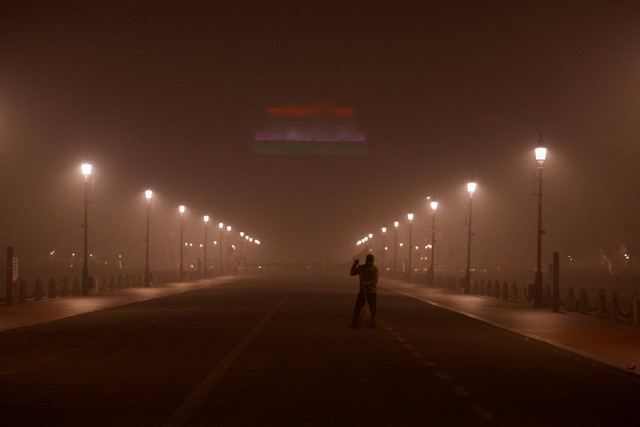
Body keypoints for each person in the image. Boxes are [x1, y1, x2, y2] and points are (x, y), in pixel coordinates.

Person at [349, 254, 379, 328]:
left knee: (372, 308)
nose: (369, 263)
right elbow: (352, 273)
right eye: (368, 261)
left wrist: (365, 283)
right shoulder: (361, 268)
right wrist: (355, 264)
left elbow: (374, 280)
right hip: (362, 292)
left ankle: (372, 322)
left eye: (371, 261)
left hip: (371, 292)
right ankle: (355, 322)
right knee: (358, 307)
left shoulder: (375, 269)